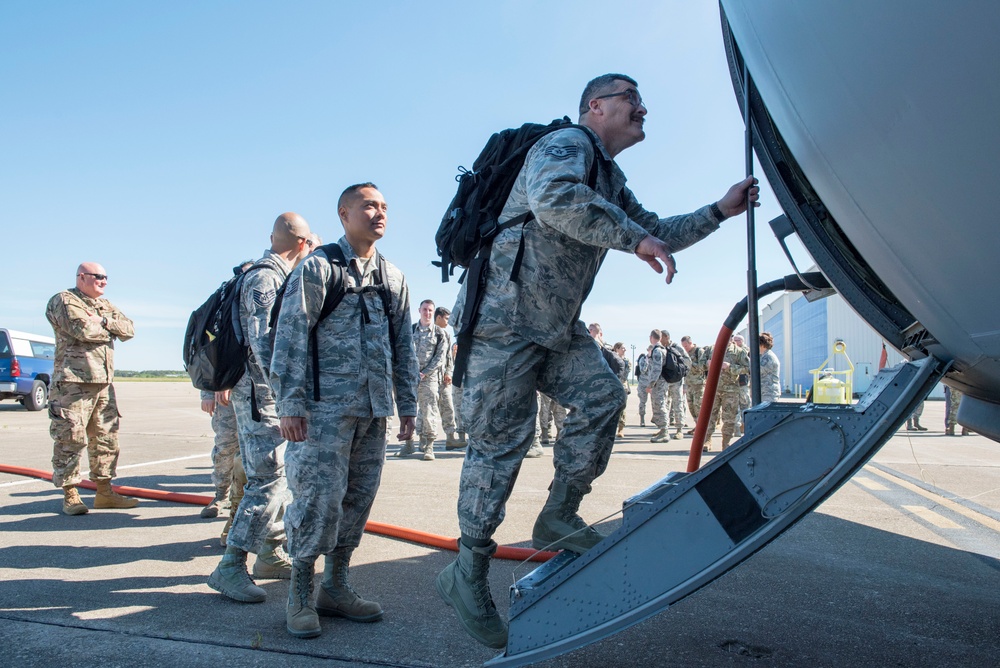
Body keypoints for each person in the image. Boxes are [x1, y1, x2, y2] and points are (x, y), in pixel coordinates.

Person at [437, 72, 759, 649]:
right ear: (596, 106)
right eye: (631, 99)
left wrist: (719, 211)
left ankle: (559, 513)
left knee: (604, 396)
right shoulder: (566, 145)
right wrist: (633, 241)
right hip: (505, 323)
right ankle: (467, 573)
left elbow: (653, 228)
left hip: (554, 327)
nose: (642, 108)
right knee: (499, 449)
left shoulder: (609, 175)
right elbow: (555, 197)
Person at [270, 183, 419, 639]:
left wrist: (407, 401)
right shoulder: (318, 268)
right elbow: (291, 336)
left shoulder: (392, 276)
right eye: (369, 205)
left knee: (357, 499)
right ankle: (299, 592)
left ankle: (335, 586)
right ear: (344, 213)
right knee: (317, 499)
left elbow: (403, 345)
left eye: (385, 207)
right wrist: (290, 403)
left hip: (372, 411)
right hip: (321, 413)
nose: (379, 214)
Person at [207, 212, 312, 604]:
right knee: (267, 477)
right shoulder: (266, 277)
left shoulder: (269, 273)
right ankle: (231, 565)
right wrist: (289, 397)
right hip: (262, 396)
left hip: (264, 394)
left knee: (277, 475)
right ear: (302, 245)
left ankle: (270, 553)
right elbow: (264, 344)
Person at [46, 262, 136, 515]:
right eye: (99, 277)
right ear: (82, 277)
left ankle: (105, 492)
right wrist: (109, 328)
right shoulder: (64, 300)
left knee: (106, 440)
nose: (104, 281)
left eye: (106, 277)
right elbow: (83, 329)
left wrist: (104, 320)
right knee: (70, 439)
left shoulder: (104, 306)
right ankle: (70, 494)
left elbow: (129, 329)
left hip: (103, 384)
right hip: (73, 383)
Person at [199, 260, 254, 522]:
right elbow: (208, 351)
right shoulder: (223, 310)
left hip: (256, 392)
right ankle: (220, 494)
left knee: (249, 455)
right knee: (225, 446)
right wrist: (209, 391)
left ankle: (238, 507)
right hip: (227, 394)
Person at [401, 299, 448, 460]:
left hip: (429, 379)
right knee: (408, 411)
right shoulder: (411, 330)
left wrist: (425, 372)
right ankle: (408, 445)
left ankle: (428, 446)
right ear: (419, 310)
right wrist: (412, 372)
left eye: (430, 310)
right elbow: (404, 351)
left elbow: (440, 357)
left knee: (429, 412)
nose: (427, 313)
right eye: (425, 309)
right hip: (410, 377)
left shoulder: (439, 333)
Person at [435, 306, 465, 450]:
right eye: (446, 318)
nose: (449, 322)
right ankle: (424, 442)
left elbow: (448, 359)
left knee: (449, 409)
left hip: (446, 378)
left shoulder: (448, 336)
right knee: (426, 411)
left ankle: (452, 438)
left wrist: (448, 371)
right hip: (428, 378)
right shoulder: (418, 331)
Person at [681, 336, 711, 436]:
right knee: (692, 407)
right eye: (683, 346)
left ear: (690, 343)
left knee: (699, 407)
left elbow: (702, 367)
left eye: (686, 346)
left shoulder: (699, 352)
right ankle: (697, 427)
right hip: (689, 384)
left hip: (699, 384)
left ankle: (702, 430)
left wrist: (690, 363)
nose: (684, 348)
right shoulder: (685, 353)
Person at [759, 332, 781, 403]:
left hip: (768, 393)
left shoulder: (768, 357)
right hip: (765, 392)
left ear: (762, 345)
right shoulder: (763, 356)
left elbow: (757, 371)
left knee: (765, 413)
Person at [636, 345, 653, 427]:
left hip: (653, 384)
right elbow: (642, 370)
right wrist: (647, 361)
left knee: (656, 403)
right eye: (650, 350)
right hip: (643, 384)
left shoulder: (656, 359)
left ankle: (657, 419)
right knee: (643, 402)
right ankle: (642, 419)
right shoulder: (643, 359)